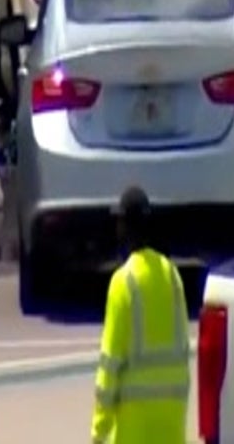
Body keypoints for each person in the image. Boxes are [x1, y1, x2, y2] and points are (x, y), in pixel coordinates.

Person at [92, 186, 190, 444]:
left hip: (134, 430)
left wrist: (99, 430)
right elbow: (182, 349)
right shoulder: (172, 276)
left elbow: (110, 364)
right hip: (172, 427)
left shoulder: (123, 282)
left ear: (125, 226)